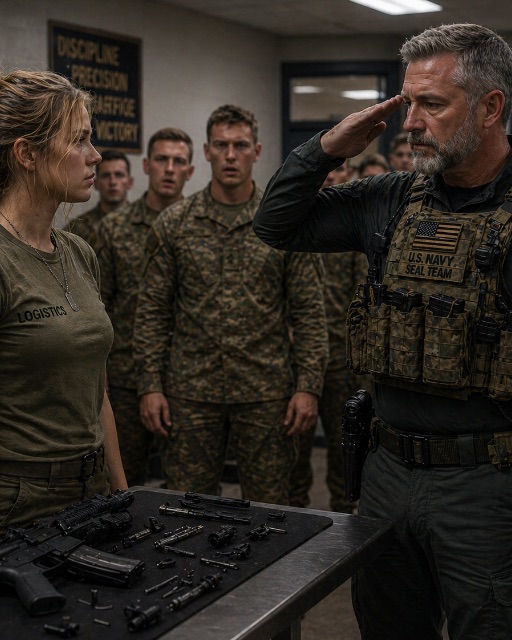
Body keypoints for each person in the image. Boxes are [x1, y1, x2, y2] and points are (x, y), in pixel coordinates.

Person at [253, 23, 512, 640]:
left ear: (490, 107)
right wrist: (326, 149)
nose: (410, 123)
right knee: (387, 625)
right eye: (406, 103)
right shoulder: (391, 199)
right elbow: (276, 225)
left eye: (432, 104)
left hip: (486, 482)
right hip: (387, 471)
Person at [133, 104, 328, 504]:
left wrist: (308, 386)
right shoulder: (175, 223)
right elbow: (152, 311)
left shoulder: (282, 222)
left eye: (240, 146)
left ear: (256, 151)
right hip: (191, 391)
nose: (230, 155)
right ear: (206, 151)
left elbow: (309, 312)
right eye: (221, 145)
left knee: (269, 507)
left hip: (265, 392)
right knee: (188, 506)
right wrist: (149, 385)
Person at [0, 70, 127, 533]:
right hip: (19, 500)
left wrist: (121, 491)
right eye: (79, 140)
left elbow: (98, 394)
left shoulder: (78, 252)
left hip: (90, 488)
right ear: (27, 154)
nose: (95, 155)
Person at [94, 128, 194, 487]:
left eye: (178, 161)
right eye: (162, 160)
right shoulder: (114, 229)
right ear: (148, 165)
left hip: (190, 377)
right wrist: (100, 372)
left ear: (190, 171)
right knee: (122, 483)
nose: (169, 169)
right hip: (126, 376)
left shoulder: (200, 226)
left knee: (187, 486)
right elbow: (98, 306)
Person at [289, 161, 368, 513]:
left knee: (344, 465)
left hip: (341, 362)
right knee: (292, 465)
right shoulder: (291, 223)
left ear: (348, 175)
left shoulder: (355, 229)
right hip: (295, 362)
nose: (330, 176)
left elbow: (365, 299)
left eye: (338, 169)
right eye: (325, 169)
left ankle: (344, 532)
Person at [64, 150, 133, 245]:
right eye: (106, 176)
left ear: (130, 182)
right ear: (96, 183)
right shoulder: (78, 229)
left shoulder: (145, 223)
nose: (112, 182)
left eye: (119, 175)